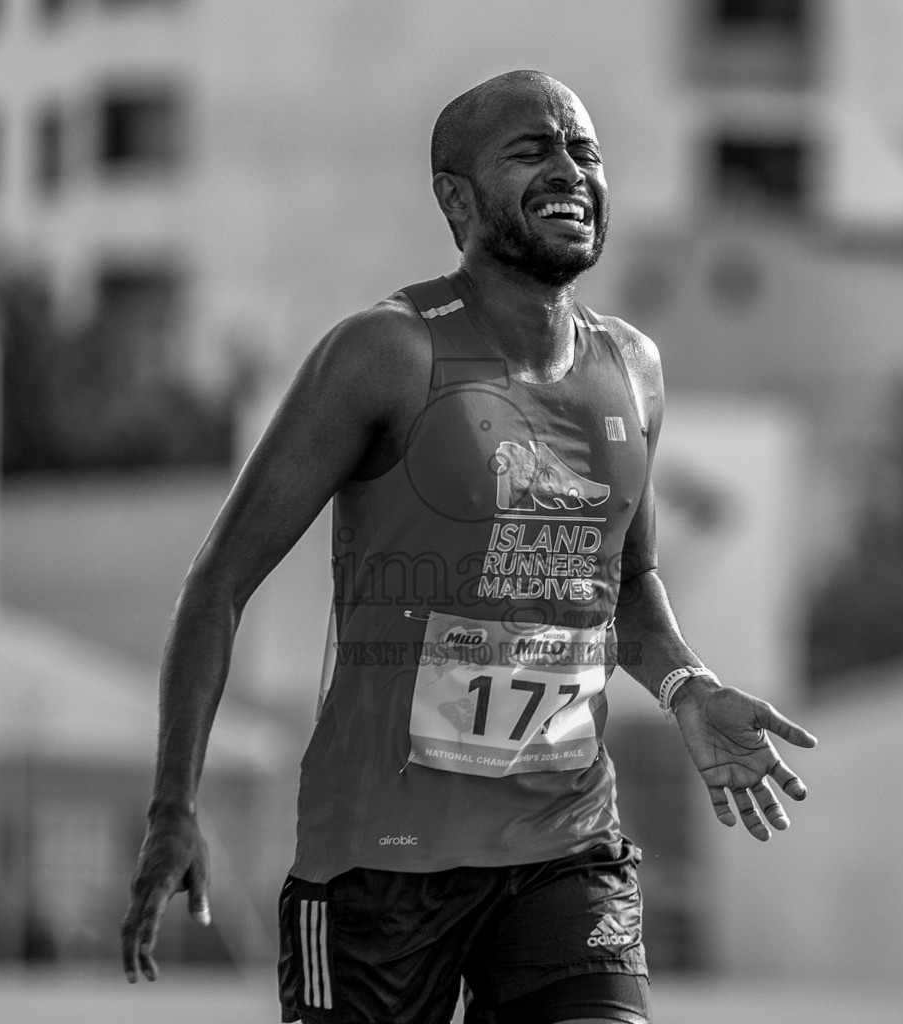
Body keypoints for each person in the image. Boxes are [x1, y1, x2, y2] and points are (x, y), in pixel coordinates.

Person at [121, 70, 817, 1024]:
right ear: (456, 196)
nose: (569, 168)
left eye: (585, 150)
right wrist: (173, 805)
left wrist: (686, 685)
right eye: (532, 151)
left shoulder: (633, 368)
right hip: (379, 866)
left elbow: (628, 579)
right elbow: (217, 585)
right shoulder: (386, 352)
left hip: (566, 847)